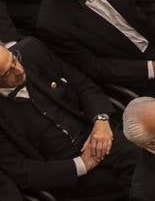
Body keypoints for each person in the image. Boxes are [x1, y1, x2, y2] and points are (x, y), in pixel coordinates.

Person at [0, 38, 138, 200]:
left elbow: (82, 85)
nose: (19, 70)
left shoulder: (32, 50)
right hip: (64, 170)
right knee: (120, 185)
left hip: (94, 133)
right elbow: (20, 170)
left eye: (14, 59)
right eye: (8, 72)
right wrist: (81, 165)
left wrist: (101, 120)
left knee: (140, 161)